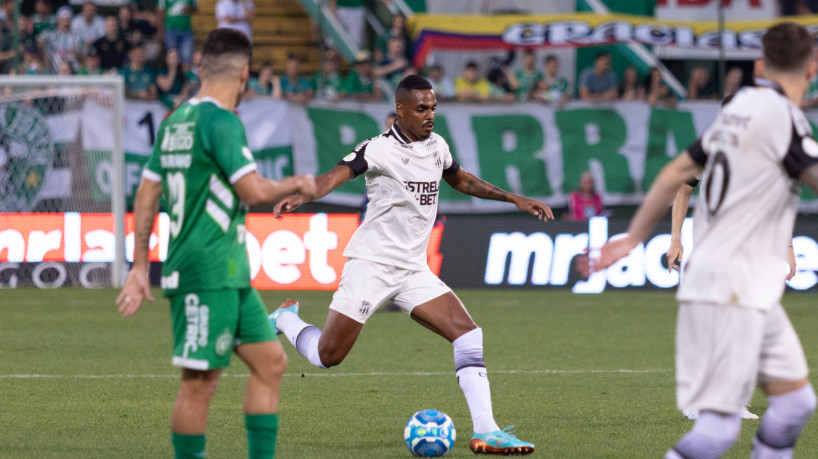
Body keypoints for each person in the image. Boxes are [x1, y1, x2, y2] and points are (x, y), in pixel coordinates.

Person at [269, 74, 550, 456]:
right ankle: (286, 319)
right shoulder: (378, 149)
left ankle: (488, 430)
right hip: (372, 264)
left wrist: (514, 198)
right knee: (326, 357)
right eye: (421, 108)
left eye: (433, 107)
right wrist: (302, 196)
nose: (429, 115)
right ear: (400, 110)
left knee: (468, 334)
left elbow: (461, 180)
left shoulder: (437, 145)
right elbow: (333, 177)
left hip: (413, 269)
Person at [588, 22, 818, 459]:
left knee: (795, 404)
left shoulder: (738, 112)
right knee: (717, 429)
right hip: (734, 281)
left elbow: (676, 173)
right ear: (813, 67)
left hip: (734, 277)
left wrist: (634, 236)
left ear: (758, 66)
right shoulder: (783, 119)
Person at [115, 28, 317, 459]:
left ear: (199, 67)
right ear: (245, 74)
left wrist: (138, 266)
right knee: (200, 383)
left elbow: (146, 193)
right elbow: (253, 191)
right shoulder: (222, 122)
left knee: (271, 363)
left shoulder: (176, 121)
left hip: (229, 272)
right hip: (205, 271)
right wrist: (299, 182)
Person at [158, 0, 198, 67]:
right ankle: (172, 76)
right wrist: (160, 32)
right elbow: (160, 12)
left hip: (186, 31)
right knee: (172, 58)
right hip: (170, 31)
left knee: (186, 59)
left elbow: (196, 9)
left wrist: (190, 8)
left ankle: (186, 77)